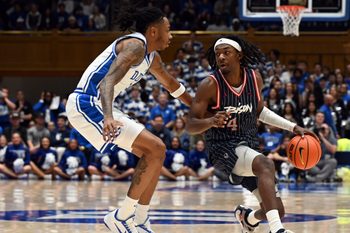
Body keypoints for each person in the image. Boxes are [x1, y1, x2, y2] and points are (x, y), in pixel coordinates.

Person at [65, 5, 192, 233]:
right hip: (87, 103)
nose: (171, 35)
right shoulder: (135, 45)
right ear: (153, 31)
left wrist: (200, 109)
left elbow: (172, 84)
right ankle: (121, 217)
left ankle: (141, 219)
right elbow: (107, 82)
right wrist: (108, 116)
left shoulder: (152, 57)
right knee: (156, 147)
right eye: (168, 29)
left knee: (156, 153)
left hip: (102, 104)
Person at [186, 36, 317, 233]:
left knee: (275, 209)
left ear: (239, 55)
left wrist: (293, 127)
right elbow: (190, 124)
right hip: (222, 148)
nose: (221, 57)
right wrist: (211, 121)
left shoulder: (254, 78)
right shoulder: (210, 84)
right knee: (265, 164)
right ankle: (277, 230)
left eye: (226, 52)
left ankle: (248, 218)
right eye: (218, 53)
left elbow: (260, 112)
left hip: (248, 146)